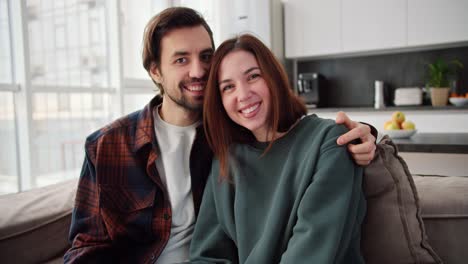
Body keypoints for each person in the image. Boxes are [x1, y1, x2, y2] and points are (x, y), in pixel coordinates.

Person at [64, 7, 375, 263]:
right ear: (156, 71)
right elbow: (86, 246)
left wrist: (370, 138)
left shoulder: (223, 139)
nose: (198, 71)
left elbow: (305, 139)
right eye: (181, 59)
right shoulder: (109, 145)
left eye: (206, 56)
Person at [189, 34, 366, 263]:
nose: (243, 95)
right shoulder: (226, 161)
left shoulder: (329, 142)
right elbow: (207, 256)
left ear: (273, 77)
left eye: (253, 76)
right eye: (228, 87)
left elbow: (311, 253)